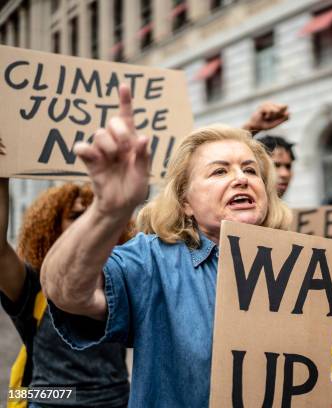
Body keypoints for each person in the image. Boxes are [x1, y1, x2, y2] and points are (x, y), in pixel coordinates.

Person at [40, 85, 292, 407]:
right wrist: (108, 211)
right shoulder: (152, 261)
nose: (241, 179)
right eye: (219, 171)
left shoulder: (304, 264)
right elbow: (65, 291)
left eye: (250, 170)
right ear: (185, 202)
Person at [0, 146, 131, 406]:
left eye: (94, 214)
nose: (87, 222)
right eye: (75, 216)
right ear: (51, 226)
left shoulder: (122, 278)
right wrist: (2, 177)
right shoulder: (32, 284)